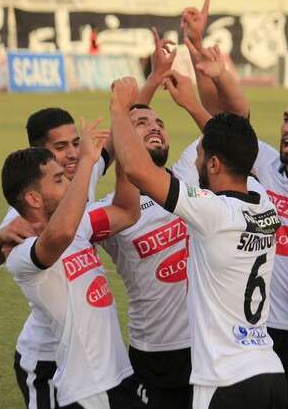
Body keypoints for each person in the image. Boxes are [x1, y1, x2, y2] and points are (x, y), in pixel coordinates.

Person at [181, 0, 288, 409]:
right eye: (286, 118)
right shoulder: (265, 166)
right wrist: (198, 50)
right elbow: (225, 125)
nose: (287, 128)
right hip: (262, 332)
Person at [110, 77, 287, 409]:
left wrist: (119, 109)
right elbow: (233, 148)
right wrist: (192, 104)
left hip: (226, 380)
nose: (195, 163)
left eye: (201, 157)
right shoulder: (263, 200)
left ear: (214, 164)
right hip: (270, 373)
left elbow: (136, 168)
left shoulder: (213, 213)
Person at [0, 108, 113, 409]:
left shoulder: (78, 176)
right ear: (40, 153)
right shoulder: (28, 211)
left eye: (76, 143)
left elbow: (113, 148)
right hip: (47, 356)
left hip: (82, 354)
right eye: (61, 147)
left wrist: (138, 98)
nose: (73, 153)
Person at [3, 118, 141, 408]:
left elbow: (128, 212)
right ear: (33, 199)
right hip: (88, 391)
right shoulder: (21, 252)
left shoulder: (80, 222)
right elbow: (60, 235)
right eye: (58, 179)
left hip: (119, 376)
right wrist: (87, 161)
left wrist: (127, 147)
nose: (68, 181)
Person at [96, 30, 196, 409]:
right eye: (141, 124)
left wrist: (157, 78)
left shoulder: (188, 174)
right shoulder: (112, 211)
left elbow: (231, 127)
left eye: (160, 123)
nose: (154, 126)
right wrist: (128, 109)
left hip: (206, 343)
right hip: (155, 352)